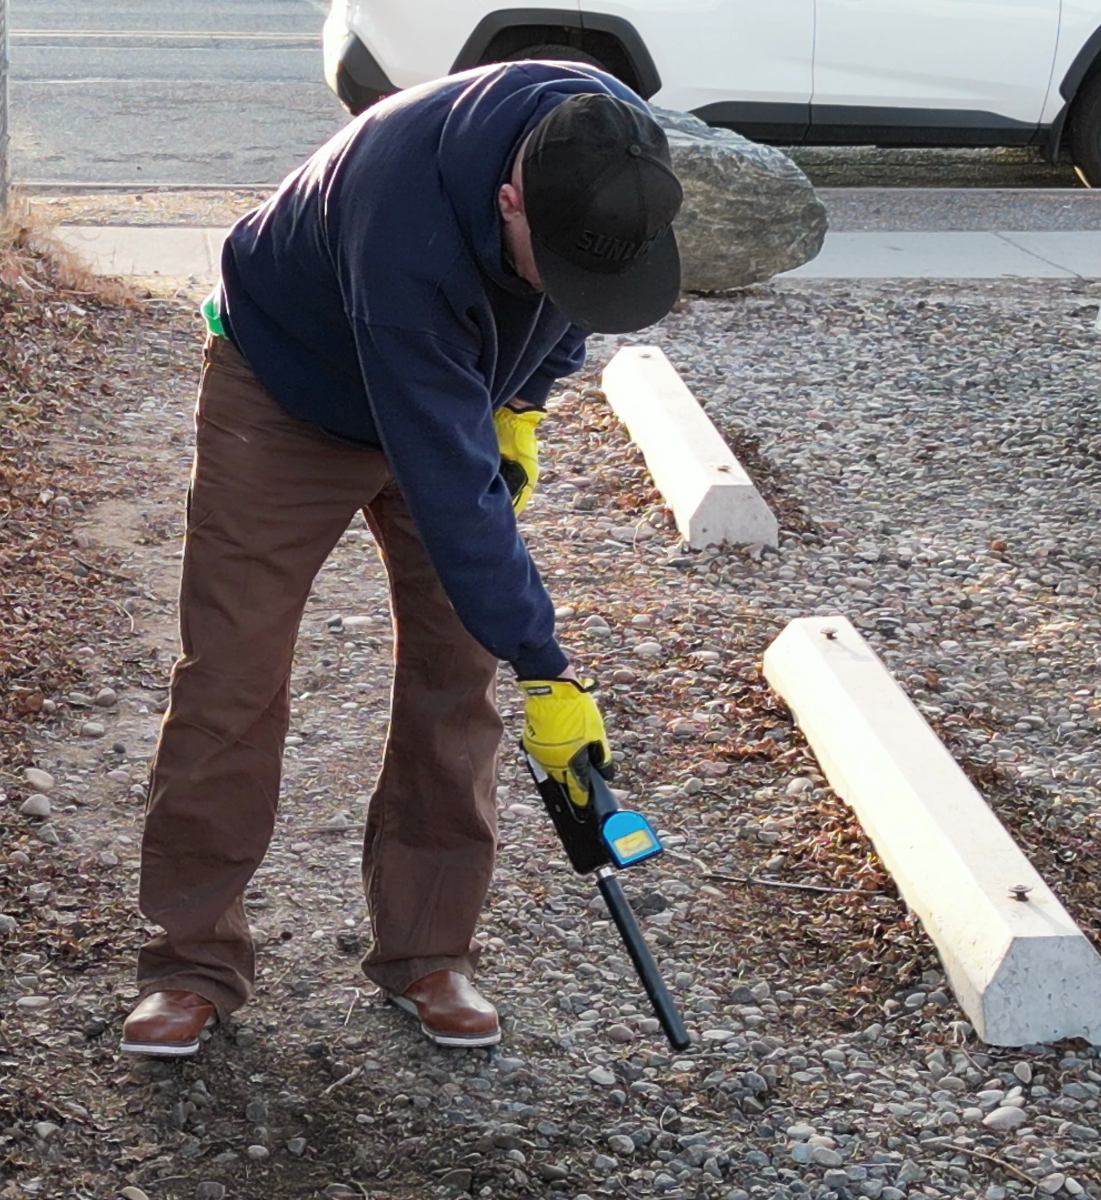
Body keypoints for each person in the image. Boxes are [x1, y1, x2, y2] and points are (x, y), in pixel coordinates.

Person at [120, 60, 684, 1058]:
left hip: (447, 394)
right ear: (508, 197)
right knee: (234, 671)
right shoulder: (406, 227)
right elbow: (453, 497)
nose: (563, 283)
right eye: (547, 257)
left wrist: (522, 404)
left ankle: (430, 950)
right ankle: (189, 962)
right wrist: (547, 666)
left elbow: (570, 308)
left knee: (454, 672)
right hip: (289, 387)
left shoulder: (607, 146)